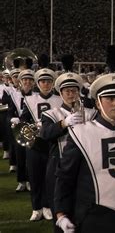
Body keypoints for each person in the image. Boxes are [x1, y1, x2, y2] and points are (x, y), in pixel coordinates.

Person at [54, 73, 115, 233]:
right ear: (98, 103)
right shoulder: (80, 133)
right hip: (92, 217)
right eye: (110, 99)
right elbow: (65, 176)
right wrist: (61, 214)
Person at [40, 71, 98, 231]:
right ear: (60, 93)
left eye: (74, 90)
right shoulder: (51, 114)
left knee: (84, 209)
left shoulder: (92, 113)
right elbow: (45, 134)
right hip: (59, 166)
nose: (71, 94)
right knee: (60, 209)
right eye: (67, 91)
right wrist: (64, 123)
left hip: (86, 167)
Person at [21, 68, 62, 221]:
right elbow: (24, 118)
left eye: (49, 81)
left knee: (49, 177)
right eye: (43, 81)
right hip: (35, 143)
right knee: (34, 176)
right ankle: (36, 208)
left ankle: (46, 206)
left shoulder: (59, 99)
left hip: (52, 143)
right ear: (38, 83)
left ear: (52, 83)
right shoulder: (30, 99)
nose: (46, 84)